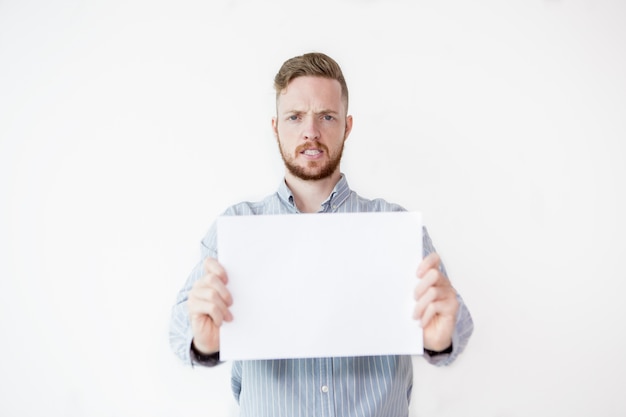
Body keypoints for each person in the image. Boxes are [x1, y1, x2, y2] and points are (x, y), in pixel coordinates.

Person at [170, 52, 473, 417]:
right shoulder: (236, 228)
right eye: (295, 117)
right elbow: (178, 332)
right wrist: (204, 341)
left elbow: (458, 326)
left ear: (347, 126)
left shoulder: (394, 226)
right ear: (275, 126)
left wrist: (439, 338)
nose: (310, 131)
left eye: (326, 117)